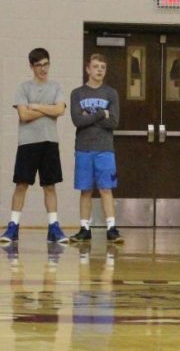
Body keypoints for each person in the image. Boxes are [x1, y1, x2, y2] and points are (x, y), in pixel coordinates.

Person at [0, 48, 69, 244]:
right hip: (28, 143)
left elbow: (60, 110)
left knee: (50, 185)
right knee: (21, 184)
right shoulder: (23, 88)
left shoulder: (56, 86)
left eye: (46, 64)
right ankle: (13, 226)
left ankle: (53, 227)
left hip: (49, 142)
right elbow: (24, 115)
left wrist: (37, 106)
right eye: (39, 65)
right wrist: (50, 110)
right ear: (32, 66)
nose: (43, 68)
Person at [69, 54, 124, 243]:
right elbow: (77, 120)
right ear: (88, 69)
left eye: (103, 67)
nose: (99, 70)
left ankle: (111, 228)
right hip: (83, 148)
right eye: (96, 66)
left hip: (105, 149)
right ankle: (85, 227)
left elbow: (114, 122)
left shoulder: (111, 93)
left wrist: (89, 118)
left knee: (106, 188)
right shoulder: (77, 93)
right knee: (85, 190)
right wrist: (101, 114)